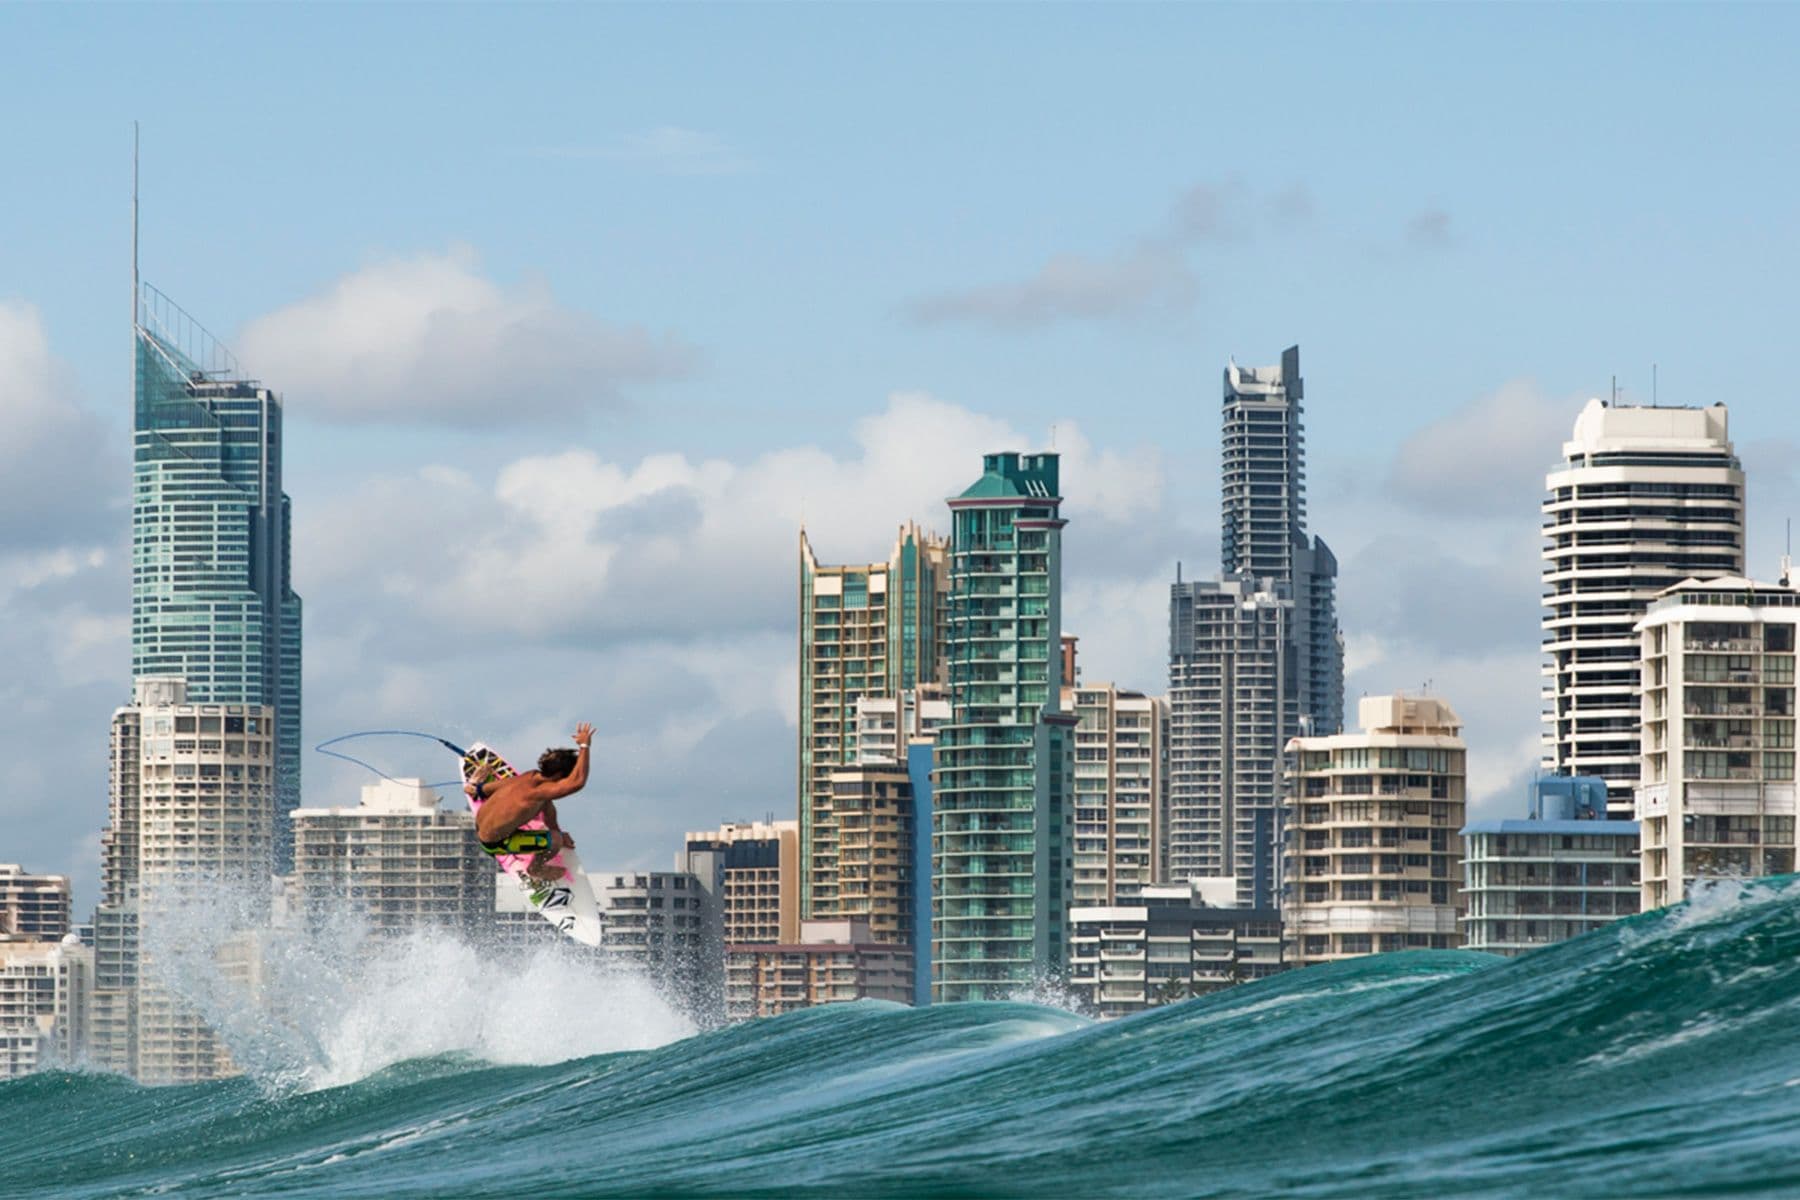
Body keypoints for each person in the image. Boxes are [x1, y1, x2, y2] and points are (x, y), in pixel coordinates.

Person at [465, 722, 593, 880]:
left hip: (480, 825)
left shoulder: (529, 776)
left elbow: (486, 790)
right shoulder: (537, 793)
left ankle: (477, 786)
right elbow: (577, 782)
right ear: (560, 775)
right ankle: (536, 868)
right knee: (555, 840)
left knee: (547, 802)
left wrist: (477, 789)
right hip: (495, 843)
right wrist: (584, 745)